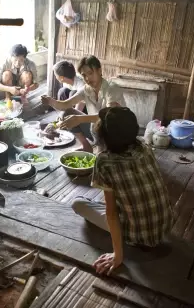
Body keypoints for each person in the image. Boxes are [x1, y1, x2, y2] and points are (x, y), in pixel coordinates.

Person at [71, 107, 174, 275]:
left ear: (103, 137)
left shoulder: (104, 161)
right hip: (165, 225)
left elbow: (111, 214)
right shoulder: (144, 147)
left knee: (78, 204)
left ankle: (123, 243)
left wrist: (117, 255)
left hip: (137, 236)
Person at [41, 55, 125, 152]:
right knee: (67, 113)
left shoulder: (111, 88)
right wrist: (50, 101)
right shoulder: (86, 89)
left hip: (115, 133)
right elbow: (65, 104)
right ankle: (87, 146)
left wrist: (79, 119)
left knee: (102, 157)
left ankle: (107, 149)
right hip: (96, 130)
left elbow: (108, 116)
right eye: (84, 75)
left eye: (90, 73)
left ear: (99, 71)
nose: (88, 78)